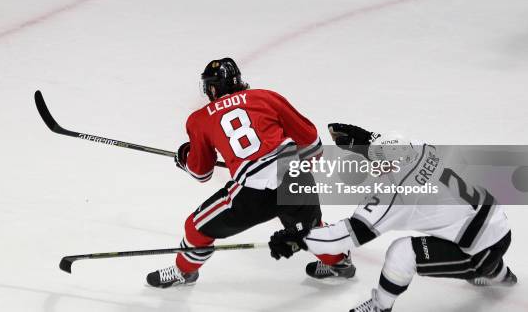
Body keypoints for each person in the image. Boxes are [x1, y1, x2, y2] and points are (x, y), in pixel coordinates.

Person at [146, 58, 354, 288]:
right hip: (298, 174)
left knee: (196, 227)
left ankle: (184, 272)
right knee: (307, 230)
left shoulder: (200, 119)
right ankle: (339, 262)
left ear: (213, 88)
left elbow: (202, 173)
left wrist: (184, 158)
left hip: (257, 194)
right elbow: (313, 144)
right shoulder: (267, 97)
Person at [268, 123, 517, 311]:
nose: (376, 169)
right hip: (497, 223)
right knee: (462, 233)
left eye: (380, 165)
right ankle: (500, 275)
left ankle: (380, 307)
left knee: (402, 252)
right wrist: (368, 141)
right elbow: (393, 150)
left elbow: (347, 235)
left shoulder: (394, 195)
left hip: (479, 251)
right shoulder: (420, 148)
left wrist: (301, 238)